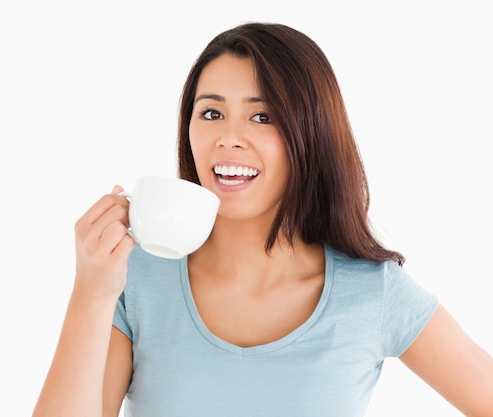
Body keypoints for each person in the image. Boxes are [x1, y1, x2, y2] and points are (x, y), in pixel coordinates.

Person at [32, 22, 493, 417]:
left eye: (262, 116)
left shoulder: (374, 292)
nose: (228, 138)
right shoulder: (135, 280)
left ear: (310, 134)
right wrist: (91, 294)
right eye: (211, 112)